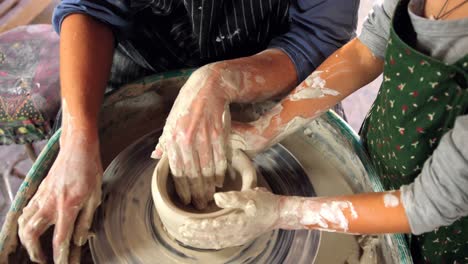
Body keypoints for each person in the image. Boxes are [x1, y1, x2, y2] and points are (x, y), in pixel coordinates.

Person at [14, 0, 359, 263]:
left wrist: (222, 80)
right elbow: (91, 6)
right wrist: (78, 140)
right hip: (143, 52)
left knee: (331, 144)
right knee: (70, 175)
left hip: (273, 57)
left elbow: (321, 36)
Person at [179, 0, 468, 263]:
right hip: (391, 150)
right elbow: (365, 53)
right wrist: (262, 131)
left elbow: (430, 203)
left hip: (442, 231)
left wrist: (281, 213)